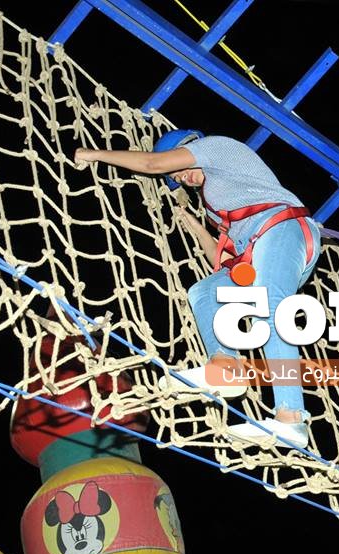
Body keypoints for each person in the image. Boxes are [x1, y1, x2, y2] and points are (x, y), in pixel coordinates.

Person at [74, 130, 321, 449]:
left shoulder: (218, 147)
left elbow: (152, 164)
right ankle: (225, 368)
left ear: (188, 147)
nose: (182, 178)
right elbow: (224, 261)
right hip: (259, 250)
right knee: (205, 291)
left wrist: (94, 154)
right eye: (177, 178)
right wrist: (195, 225)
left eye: (179, 169)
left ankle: (291, 418)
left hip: (284, 228)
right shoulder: (216, 205)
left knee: (270, 306)